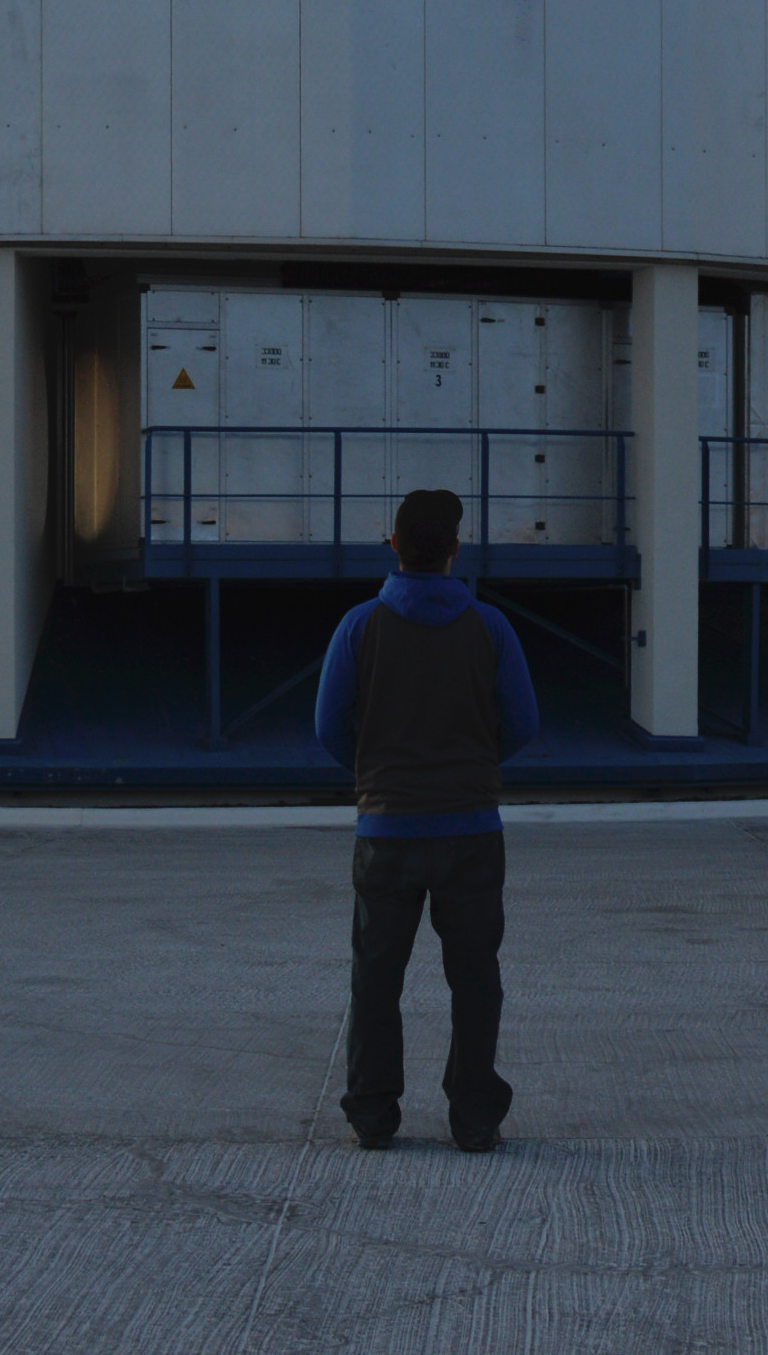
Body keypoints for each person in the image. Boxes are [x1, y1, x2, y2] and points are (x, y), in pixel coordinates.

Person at [306, 483, 543, 1150]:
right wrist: (473, 768)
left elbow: (327, 726)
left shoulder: (359, 626)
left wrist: (376, 773)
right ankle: (474, 1118)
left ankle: (373, 1116)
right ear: (454, 549)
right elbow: (523, 723)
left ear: (393, 546)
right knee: (474, 979)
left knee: (375, 979)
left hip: (385, 832)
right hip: (471, 832)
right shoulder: (489, 627)